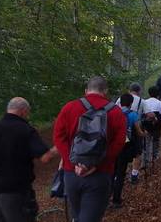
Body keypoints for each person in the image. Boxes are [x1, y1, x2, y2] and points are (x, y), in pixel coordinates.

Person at [0, 97, 57, 222]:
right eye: (28, 112)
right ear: (23, 111)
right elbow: (45, 157)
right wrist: (58, 148)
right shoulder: (26, 130)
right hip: (15, 190)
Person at [53, 76, 126, 222]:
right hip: (100, 174)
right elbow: (119, 142)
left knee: (77, 216)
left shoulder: (69, 107)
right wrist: (96, 164)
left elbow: (58, 137)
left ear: (86, 91)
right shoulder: (116, 112)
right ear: (105, 91)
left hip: (72, 174)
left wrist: (73, 162)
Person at [111, 93, 144, 209]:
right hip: (125, 146)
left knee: (112, 172)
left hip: (113, 147)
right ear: (131, 103)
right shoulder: (133, 115)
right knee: (120, 173)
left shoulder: (113, 113)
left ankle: (105, 197)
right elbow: (138, 132)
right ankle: (116, 200)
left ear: (120, 102)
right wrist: (145, 134)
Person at [140, 86, 161, 173]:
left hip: (146, 126)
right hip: (156, 126)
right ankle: (154, 158)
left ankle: (145, 161)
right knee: (156, 141)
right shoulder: (159, 103)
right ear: (157, 94)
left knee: (146, 142)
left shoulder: (144, 102)